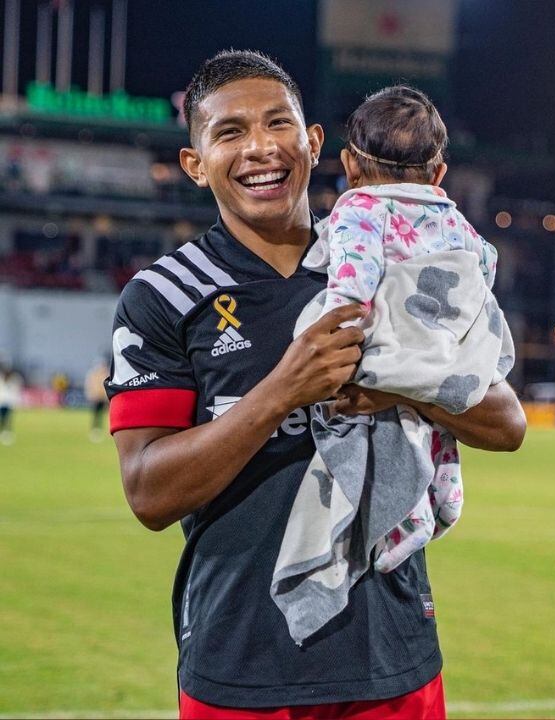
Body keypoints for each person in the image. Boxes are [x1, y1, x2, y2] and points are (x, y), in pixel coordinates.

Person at [105, 50, 524, 719]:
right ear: (195, 163)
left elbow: (506, 423)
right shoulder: (163, 295)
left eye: (279, 123)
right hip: (240, 657)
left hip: (392, 652)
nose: (261, 148)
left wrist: (398, 386)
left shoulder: (391, 257)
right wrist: (283, 390)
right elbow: (149, 493)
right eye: (230, 132)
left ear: (315, 143)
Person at [271, 83, 514, 645]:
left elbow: (351, 288)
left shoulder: (360, 208)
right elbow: (483, 270)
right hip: (442, 355)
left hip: (388, 352)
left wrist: (326, 344)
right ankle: (437, 502)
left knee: (363, 438)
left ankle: (384, 526)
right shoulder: (460, 223)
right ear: (439, 172)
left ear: (350, 165)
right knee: (433, 434)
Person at [85, 358, 109, 442]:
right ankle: (95, 430)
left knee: (106, 415)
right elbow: (90, 385)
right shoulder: (94, 375)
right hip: (96, 398)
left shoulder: (105, 375)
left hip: (103, 398)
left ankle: (106, 430)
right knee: (96, 415)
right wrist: (91, 394)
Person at [0, 365, 20, 445]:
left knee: (8, 419)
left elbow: (15, 392)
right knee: (2, 419)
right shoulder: (1, 380)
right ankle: (3, 432)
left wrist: (15, 402)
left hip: (9, 403)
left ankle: (7, 432)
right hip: (2, 403)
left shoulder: (12, 381)